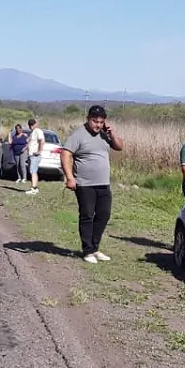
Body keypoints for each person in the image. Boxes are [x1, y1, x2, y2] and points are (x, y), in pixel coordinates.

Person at [61, 105, 124, 264]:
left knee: (104, 215)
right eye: (95, 121)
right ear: (88, 119)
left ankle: (95, 247)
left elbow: (119, 146)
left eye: (101, 122)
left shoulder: (104, 134)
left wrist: (112, 133)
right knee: (87, 215)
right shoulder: (79, 134)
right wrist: (69, 177)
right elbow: (65, 153)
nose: (98, 125)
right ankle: (87, 250)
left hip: (103, 183)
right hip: (84, 184)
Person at [25, 118, 45, 195]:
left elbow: (41, 141)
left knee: (32, 171)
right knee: (33, 171)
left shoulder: (38, 131)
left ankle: (33, 188)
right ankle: (35, 187)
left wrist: (39, 151)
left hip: (35, 155)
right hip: (30, 155)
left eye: (32, 125)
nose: (31, 126)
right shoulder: (32, 132)